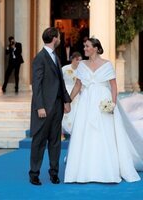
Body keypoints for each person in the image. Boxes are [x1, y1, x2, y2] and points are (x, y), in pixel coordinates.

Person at [64, 37, 143, 183]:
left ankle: (106, 170)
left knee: (104, 133)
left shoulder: (107, 65)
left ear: (95, 48)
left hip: (103, 102)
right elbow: (77, 86)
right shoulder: (81, 65)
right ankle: (83, 171)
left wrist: (112, 104)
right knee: (85, 133)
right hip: (86, 103)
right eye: (84, 46)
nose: (85, 48)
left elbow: (113, 86)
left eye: (87, 46)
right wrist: (67, 101)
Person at [29, 27, 71, 186]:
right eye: (59, 36)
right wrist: (39, 106)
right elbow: (36, 84)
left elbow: (60, 82)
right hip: (44, 108)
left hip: (57, 107)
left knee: (55, 141)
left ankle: (54, 173)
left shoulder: (56, 57)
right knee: (38, 142)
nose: (60, 38)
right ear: (54, 38)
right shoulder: (40, 58)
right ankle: (34, 174)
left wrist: (66, 101)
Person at [62, 52, 82, 134]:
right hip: (66, 90)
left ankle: (75, 130)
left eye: (80, 60)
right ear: (73, 59)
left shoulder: (81, 70)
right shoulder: (65, 68)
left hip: (76, 92)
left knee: (76, 109)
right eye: (77, 60)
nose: (79, 62)